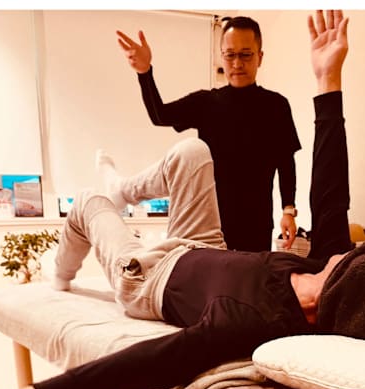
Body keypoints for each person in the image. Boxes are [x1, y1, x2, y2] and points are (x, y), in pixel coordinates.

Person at [0, 11, 365, 389]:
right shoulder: (321, 269)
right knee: (192, 151)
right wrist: (328, 79)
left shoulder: (252, 320)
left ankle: (58, 276)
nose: (341, 252)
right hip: (204, 242)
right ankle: (123, 187)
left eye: (350, 259)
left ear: (341, 288)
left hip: (148, 278)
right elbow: (332, 184)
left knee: (87, 203)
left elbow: (154, 360)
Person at [116, 15, 301, 252]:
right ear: (222, 56)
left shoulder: (276, 106)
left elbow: (286, 161)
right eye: (230, 55)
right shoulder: (206, 103)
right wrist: (145, 73)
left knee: (250, 275)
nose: (237, 63)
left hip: (256, 224)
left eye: (246, 54)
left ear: (260, 57)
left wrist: (288, 210)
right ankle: (125, 189)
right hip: (207, 225)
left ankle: (124, 189)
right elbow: (160, 115)